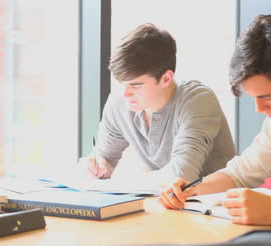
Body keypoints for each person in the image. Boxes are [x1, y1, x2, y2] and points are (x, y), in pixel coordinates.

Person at [158, 14, 271, 226]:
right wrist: (191, 190)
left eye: (268, 97)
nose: (259, 109)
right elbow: (241, 173)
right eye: (254, 98)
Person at [78, 23, 236, 185]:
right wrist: (99, 166)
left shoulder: (198, 100)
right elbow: (104, 157)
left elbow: (182, 175)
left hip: (214, 204)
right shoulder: (119, 101)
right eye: (122, 83)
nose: (126, 94)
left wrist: (126, 181)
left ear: (166, 78)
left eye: (136, 85)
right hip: (164, 202)